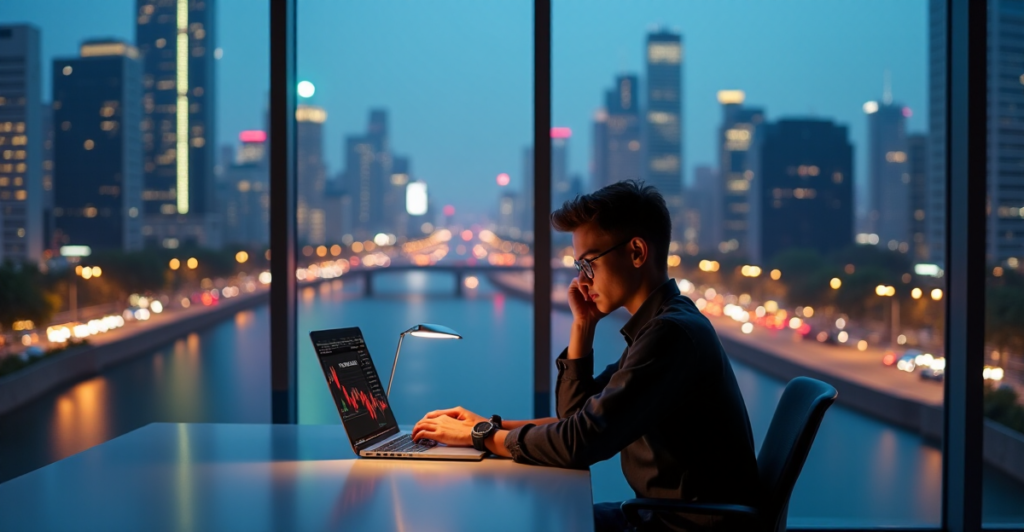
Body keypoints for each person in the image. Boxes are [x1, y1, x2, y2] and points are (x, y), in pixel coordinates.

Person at [413, 180, 760, 531]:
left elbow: (581, 442)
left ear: (637, 252)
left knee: (523, 520)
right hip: (664, 517)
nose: (582, 280)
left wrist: (480, 436)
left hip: (686, 526)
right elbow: (578, 416)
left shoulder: (670, 335)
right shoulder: (660, 325)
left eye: (588, 264)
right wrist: (583, 325)